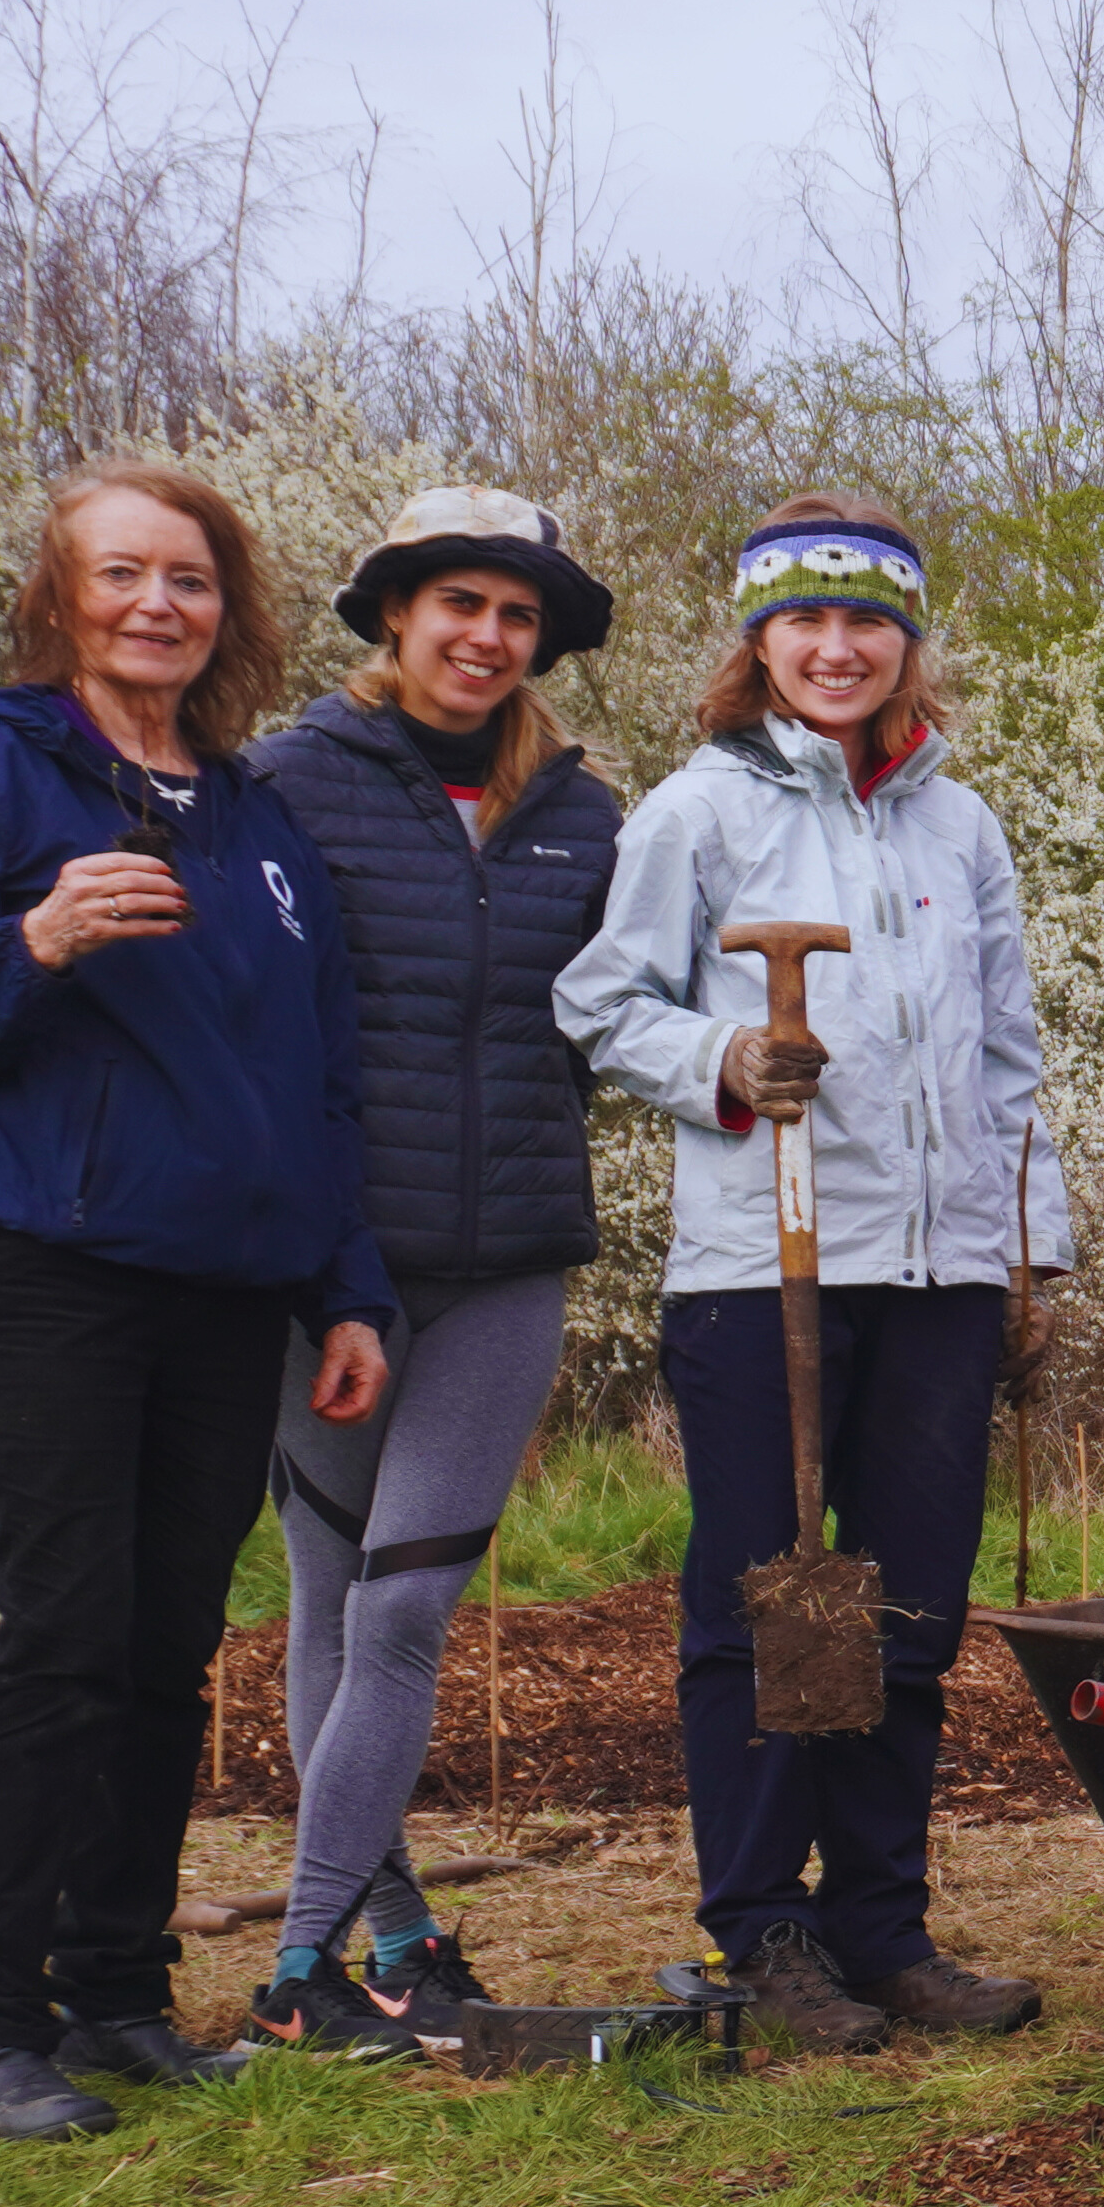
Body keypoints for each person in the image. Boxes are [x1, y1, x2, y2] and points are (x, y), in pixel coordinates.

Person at [0, 466, 395, 2140]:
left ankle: (117, 1997)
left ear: (228, 606)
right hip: (55, 1258)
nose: (160, 604)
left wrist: (345, 1287)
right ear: (59, 595)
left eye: (192, 578)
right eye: (123, 575)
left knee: (169, 1643)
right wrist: (40, 938)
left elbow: (316, 1073)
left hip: (231, 1282)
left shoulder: (251, 815)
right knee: (68, 1628)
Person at [554, 499, 1070, 2058]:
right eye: (805, 623)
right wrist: (720, 1051)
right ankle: (765, 1929)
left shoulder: (957, 826)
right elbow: (601, 1002)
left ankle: (882, 1924)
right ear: (758, 641)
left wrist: (1029, 1249)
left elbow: (1005, 1055)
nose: (838, 649)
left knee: (908, 1600)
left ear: (909, 643)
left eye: (869, 623)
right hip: (759, 1262)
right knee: (778, 1600)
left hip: (941, 1269)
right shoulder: (696, 815)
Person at [236, 488, 628, 2060]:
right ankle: (370, 1950)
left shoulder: (590, 814)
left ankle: (306, 1960)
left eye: (516, 614)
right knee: (332, 1603)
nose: (485, 636)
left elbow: (624, 1013)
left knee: (406, 1612)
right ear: (395, 617)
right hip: (335, 1272)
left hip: (510, 1261)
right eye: (456, 603)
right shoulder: (284, 787)